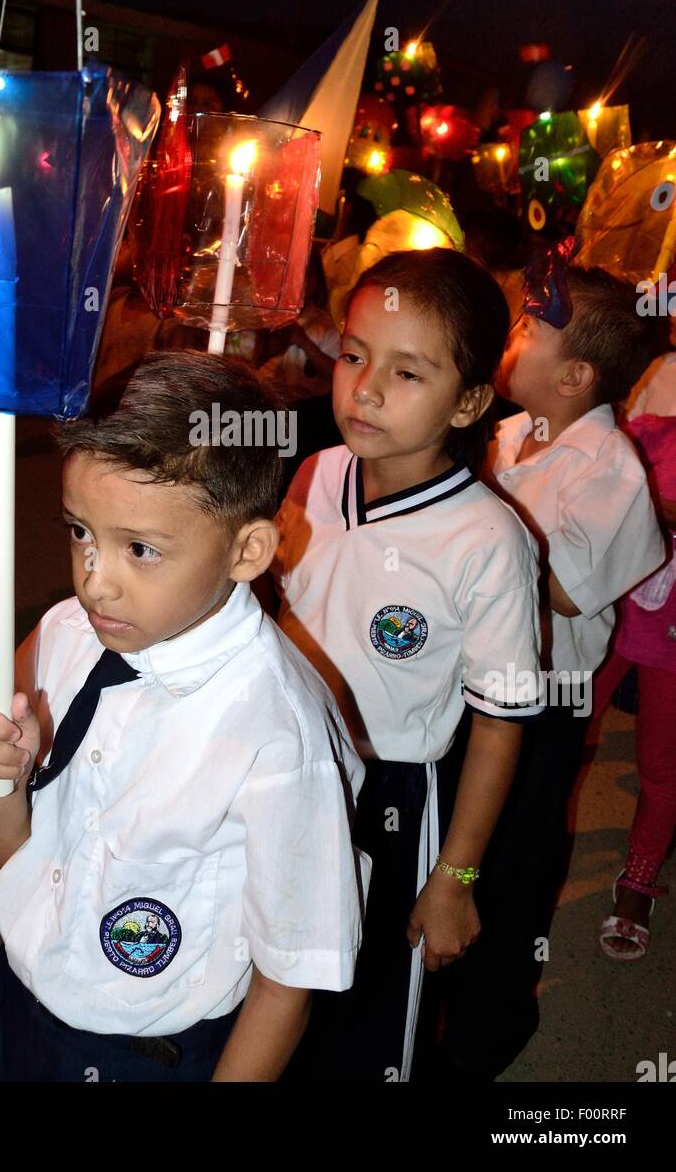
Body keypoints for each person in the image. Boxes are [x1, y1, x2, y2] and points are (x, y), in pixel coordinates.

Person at [0, 351, 368, 1083]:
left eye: (139, 549)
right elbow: (10, 860)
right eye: (80, 530)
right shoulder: (61, 636)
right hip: (22, 1002)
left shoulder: (277, 734)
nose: (94, 580)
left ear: (248, 550)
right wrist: (1, 781)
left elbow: (287, 982)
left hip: (147, 1057)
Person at [267, 248, 543, 1083]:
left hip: (390, 800)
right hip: (282, 765)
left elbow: (499, 727)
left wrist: (454, 877)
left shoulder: (488, 542)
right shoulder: (315, 476)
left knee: (372, 1011)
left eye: (408, 373)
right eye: (353, 356)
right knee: (279, 981)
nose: (366, 388)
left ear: (468, 402)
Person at [438, 264, 669, 1077]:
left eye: (529, 331)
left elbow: (567, 592)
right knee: (462, 835)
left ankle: (494, 1016)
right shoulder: (508, 435)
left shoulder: (608, 468)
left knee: (517, 856)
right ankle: (444, 975)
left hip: (545, 701)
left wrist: (475, 521)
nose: (512, 338)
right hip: (477, 683)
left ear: (575, 376)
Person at [593, 412, 676, 959]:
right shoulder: (646, 432)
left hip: (671, 642)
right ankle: (506, 852)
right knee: (554, 738)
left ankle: (638, 883)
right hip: (608, 616)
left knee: (661, 767)